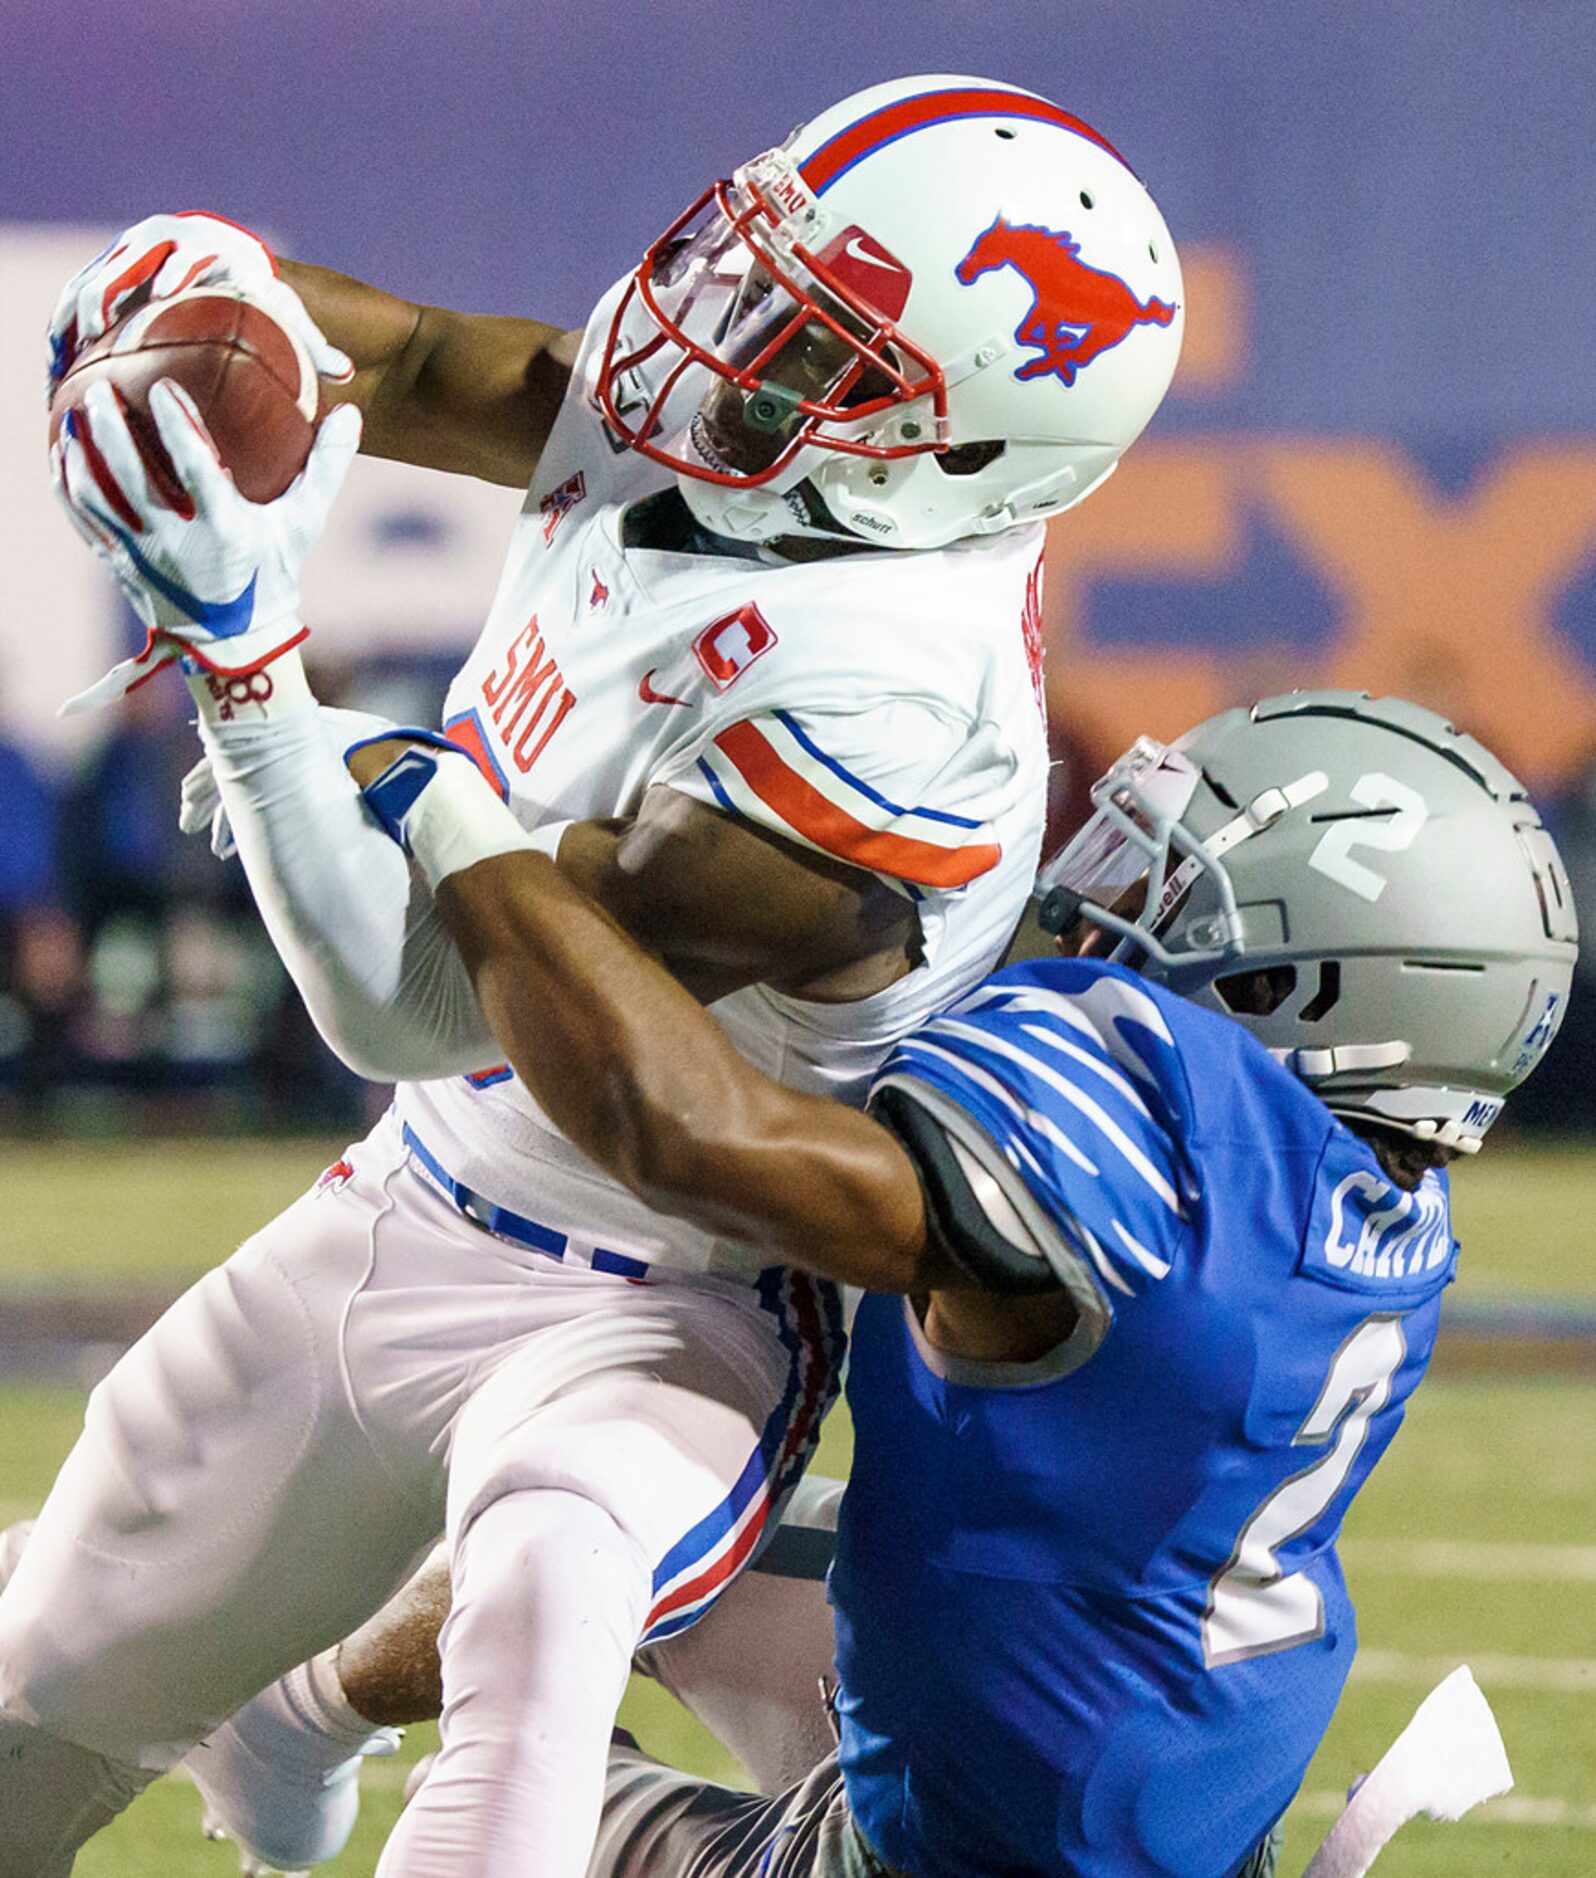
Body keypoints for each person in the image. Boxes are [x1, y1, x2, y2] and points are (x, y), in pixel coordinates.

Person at [1, 75, 1184, 1878]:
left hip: (675, 1276)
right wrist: (202, 303)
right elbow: (420, 368)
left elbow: (412, 994)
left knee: (552, 1576)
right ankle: (281, 1703)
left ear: (952, 461)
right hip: (425, 1180)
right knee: (33, 1719)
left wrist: (247, 670)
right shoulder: (792, 455)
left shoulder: (892, 705)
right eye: (766, 274)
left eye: (814, 348)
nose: (724, 334)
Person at [160, 685, 1575, 1878]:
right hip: (1132, 1750)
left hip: (968, 1844)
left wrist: (466, 835)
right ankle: (292, 1708)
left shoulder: (1158, 1159)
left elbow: (686, 1132)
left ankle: (316, 1722)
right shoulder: (1359, 1190)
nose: (1108, 904)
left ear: (1306, 988)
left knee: (521, 1812)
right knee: (619, 1513)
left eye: (1168, 884)